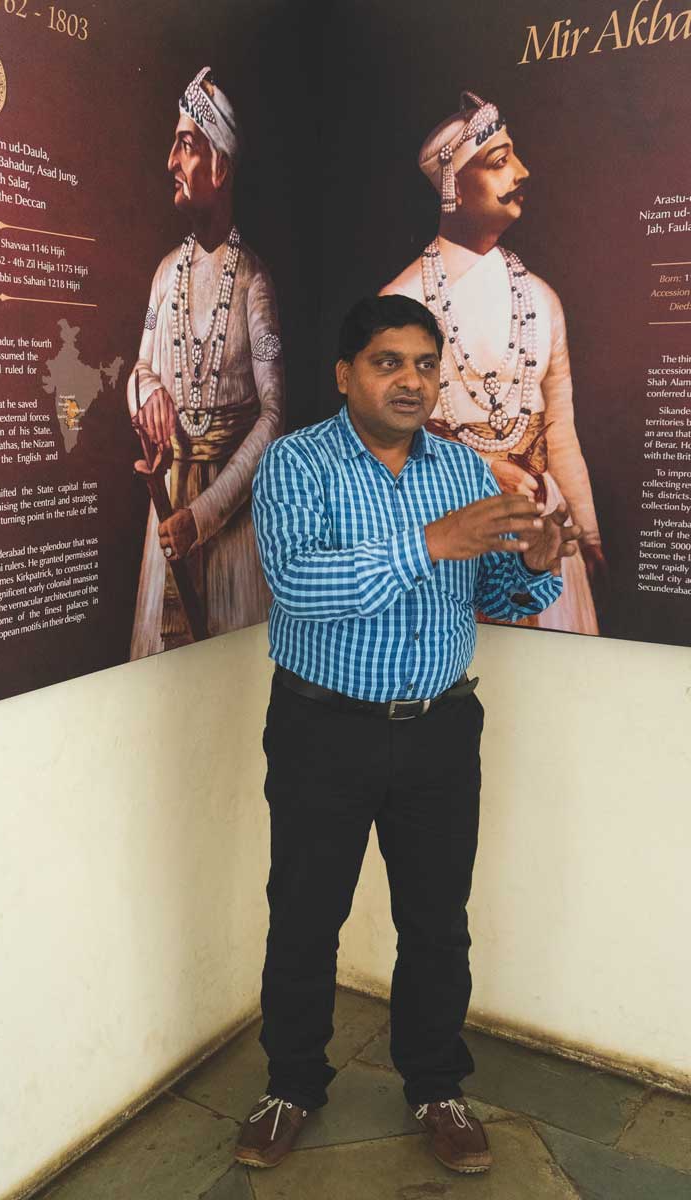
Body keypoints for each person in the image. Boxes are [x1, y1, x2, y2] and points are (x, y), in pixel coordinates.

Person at [235, 295, 580, 1175]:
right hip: (323, 729)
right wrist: (434, 542)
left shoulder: (463, 471)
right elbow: (299, 586)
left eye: (426, 364)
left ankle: (436, 1085)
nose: (413, 381)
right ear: (346, 373)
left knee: (436, 922)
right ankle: (291, 1086)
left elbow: (496, 599)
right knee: (306, 917)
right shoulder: (296, 464)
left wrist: (534, 567)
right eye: (390, 363)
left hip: (438, 732)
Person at [381, 90, 605, 635]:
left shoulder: (543, 299)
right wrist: (480, 471)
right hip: (451, 524)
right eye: (500, 162)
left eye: (516, 156)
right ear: (454, 187)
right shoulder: (402, 300)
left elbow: (560, 430)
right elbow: (384, 438)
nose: (521, 172)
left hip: (543, 521)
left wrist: (589, 533)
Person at [127, 66, 284, 657]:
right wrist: (150, 396)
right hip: (167, 510)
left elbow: (273, 418)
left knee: (228, 671)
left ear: (219, 164)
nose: (171, 160)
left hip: (229, 520)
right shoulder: (165, 274)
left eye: (186, 145)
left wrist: (204, 515)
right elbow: (139, 371)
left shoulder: (254, 284)